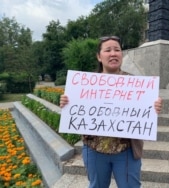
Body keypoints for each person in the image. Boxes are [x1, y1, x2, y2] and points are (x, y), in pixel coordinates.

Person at [60, 35, 163, 188]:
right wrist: (66, 103)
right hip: (94, 150)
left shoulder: (137, 84)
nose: (113, 53)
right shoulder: (84, 84)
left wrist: (154, 107)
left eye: (117, 50)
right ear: (99, 56)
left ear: (122, 54)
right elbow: (77, 111)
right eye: (108, 50)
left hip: (126, 151)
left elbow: (144, 113)